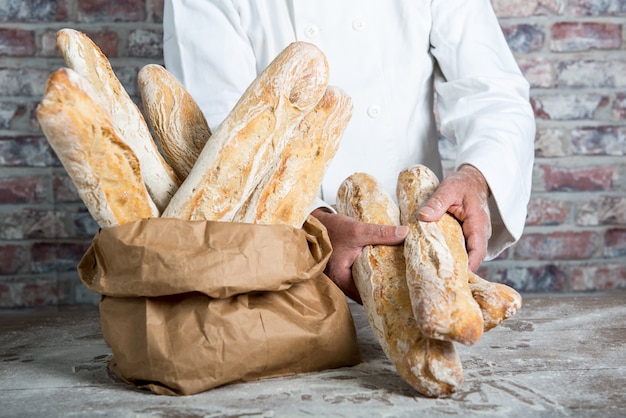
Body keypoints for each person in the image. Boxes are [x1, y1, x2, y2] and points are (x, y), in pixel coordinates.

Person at [162, 0, 536, 303]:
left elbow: (493, 92)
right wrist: (314, 228)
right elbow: (218, 138)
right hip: (269, 270)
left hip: (413, 258)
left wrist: (477, 177)